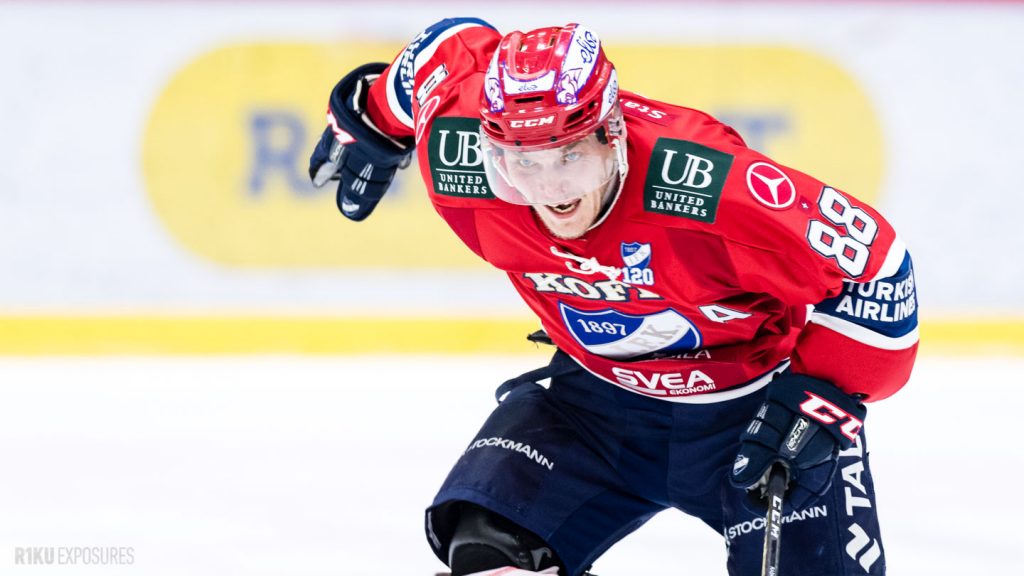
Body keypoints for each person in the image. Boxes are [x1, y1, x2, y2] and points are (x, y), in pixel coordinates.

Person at [309, 18, 918, 576]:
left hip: (750, 412)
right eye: (521, 163)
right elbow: (446, 50)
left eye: (569, 156)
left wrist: (821, 396)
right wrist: (371, 118)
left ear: (613, 133)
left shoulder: (708, 185)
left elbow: (879, 268)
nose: (549, 189)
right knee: (489, 555)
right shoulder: (455, 147)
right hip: (592, 407)